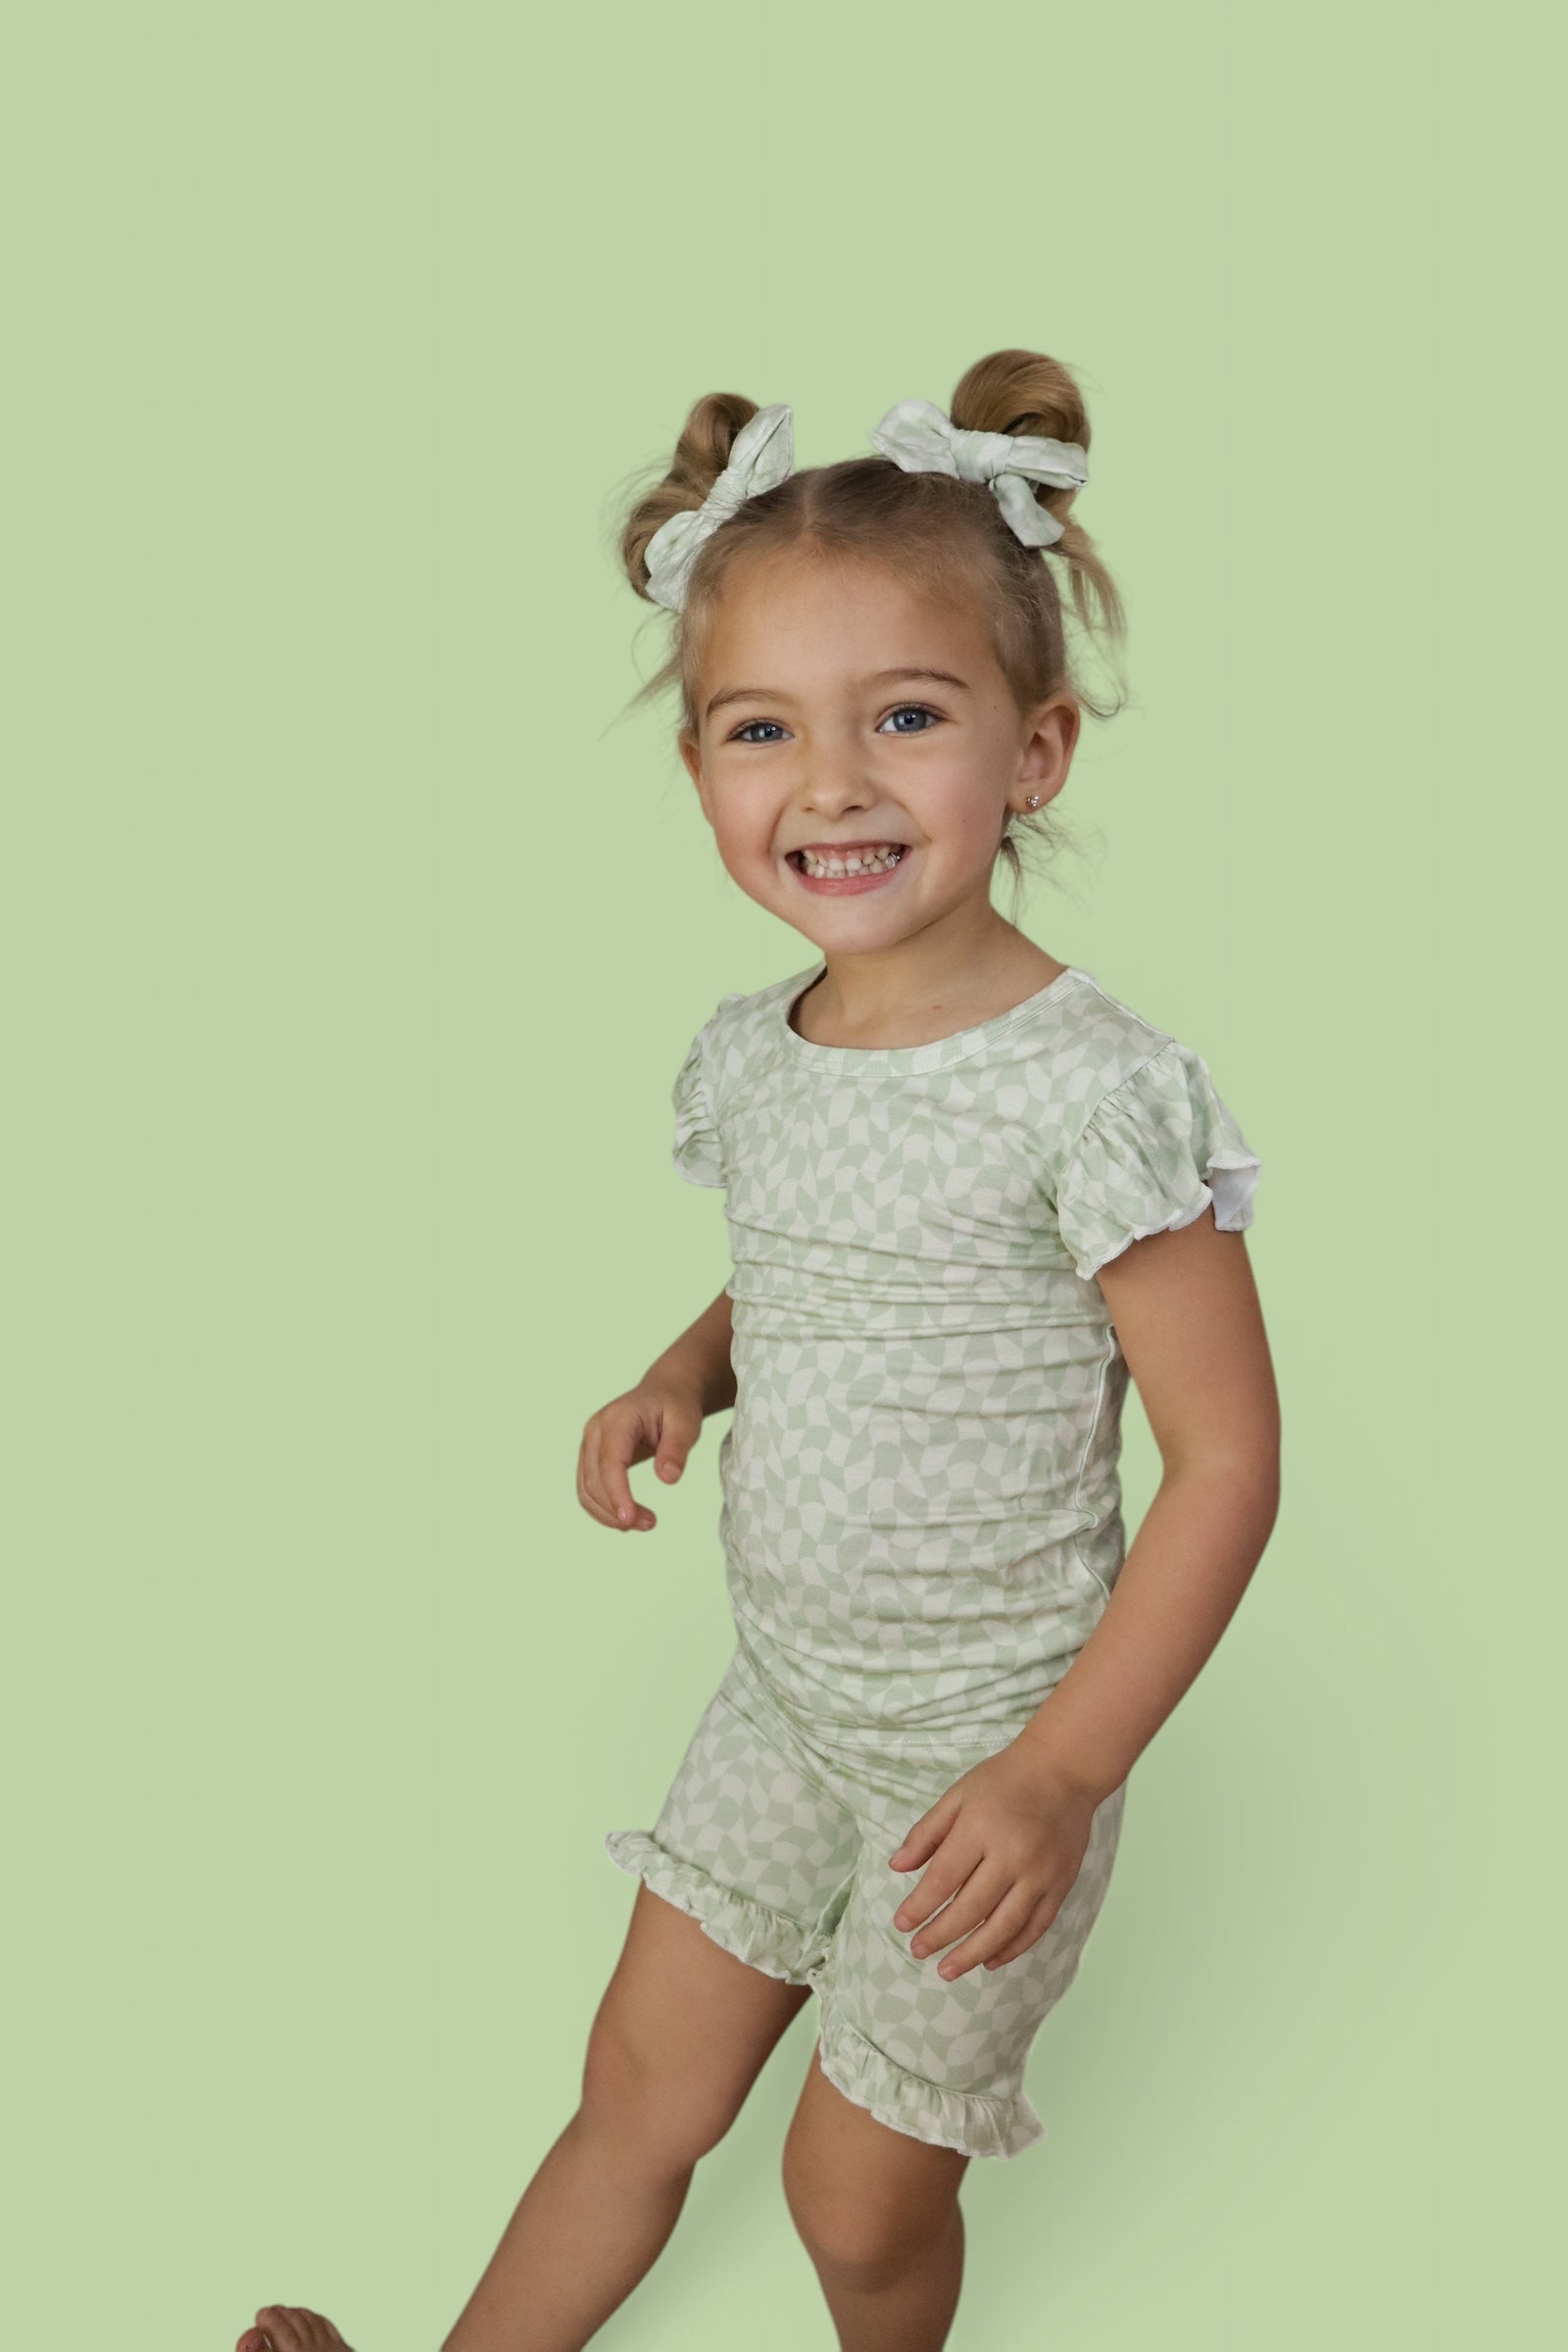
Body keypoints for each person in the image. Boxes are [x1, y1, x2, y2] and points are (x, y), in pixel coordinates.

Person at [236, 348, 1281, 2352]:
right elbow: (812, 1270)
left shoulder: (1095, 1093)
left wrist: (1060, 1774)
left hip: (986, 1757)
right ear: (700, 763)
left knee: (851, 2197)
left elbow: (1226, 1462)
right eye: (760, 729)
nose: (831, 783)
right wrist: (684, 1370)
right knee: (632, 2091)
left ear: (1036, 750)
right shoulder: (760, 1051)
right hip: (786, 1707)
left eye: (908, 716)